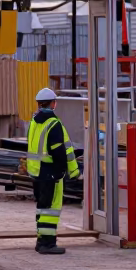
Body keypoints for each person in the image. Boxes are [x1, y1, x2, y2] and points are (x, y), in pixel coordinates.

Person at [26, 87, 80, 255]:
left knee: (42, 207)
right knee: (50, 209)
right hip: (50, 172)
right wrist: (67, 171)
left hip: (36, 171)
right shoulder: (54, 124)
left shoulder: (34, 121)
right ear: (53, 104)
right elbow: (60, 151)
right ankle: (47, 243)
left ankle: (41, 240)